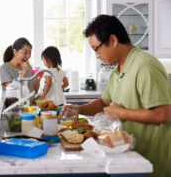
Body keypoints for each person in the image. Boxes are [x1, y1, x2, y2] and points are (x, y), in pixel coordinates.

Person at [59, 14, 171, 177]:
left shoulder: (145, 66)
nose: (97, 55)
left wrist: (121, 113)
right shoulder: (117, 71)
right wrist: (79, 109)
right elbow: (104, 102)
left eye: (97, 48)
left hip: (150, 163)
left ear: (112, 40)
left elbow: (163, 114)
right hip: (127, 156)